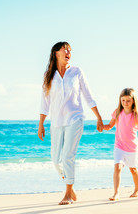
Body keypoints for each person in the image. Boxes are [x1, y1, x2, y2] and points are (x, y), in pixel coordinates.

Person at [38, 41, 103, 205]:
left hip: (75, 119)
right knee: (55, 159)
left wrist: (98, 117)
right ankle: (70, 186)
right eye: (64, 50)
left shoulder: (76, 72)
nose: (68, 52)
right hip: (56, 122)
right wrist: (41, 124)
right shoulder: (49, 75)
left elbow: (88, 95)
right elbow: (44, 102)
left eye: (70, 50)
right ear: (56, 54)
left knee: (68, 156)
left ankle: (67, 193)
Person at [103, 88, 138, 201]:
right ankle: (116, 193)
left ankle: (137, 189)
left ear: (133, 101)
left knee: (133, 170)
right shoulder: (117, 112)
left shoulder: (137, 114)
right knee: (117, 167)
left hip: (132, 148)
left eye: (128, 100)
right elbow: (109, 126)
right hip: (119, 146)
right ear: (120, 101)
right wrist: (101, 126)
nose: (125, 103)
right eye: (123, 100)